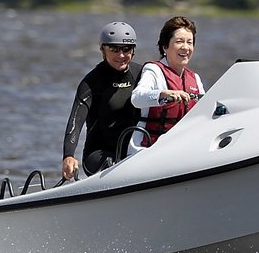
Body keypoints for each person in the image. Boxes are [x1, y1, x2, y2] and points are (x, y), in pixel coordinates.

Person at [61, 21, 143, 179]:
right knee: (115, 166)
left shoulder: (143, 74)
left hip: (135, 152)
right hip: (99, 155)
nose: (121, 55)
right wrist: (68, 156)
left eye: (126, 49)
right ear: (102, 50)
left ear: (133, 50)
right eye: (114, 49)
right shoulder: (91, 82)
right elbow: (75, 123)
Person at [128, 16, 204, 154]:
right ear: (165, 46)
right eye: (179, 41)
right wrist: (163, 94)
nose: (185, 47)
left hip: (181, 149)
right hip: (147, 149)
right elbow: (136, 98)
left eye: (190, 42)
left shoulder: (195, 78)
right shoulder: (153, 70)